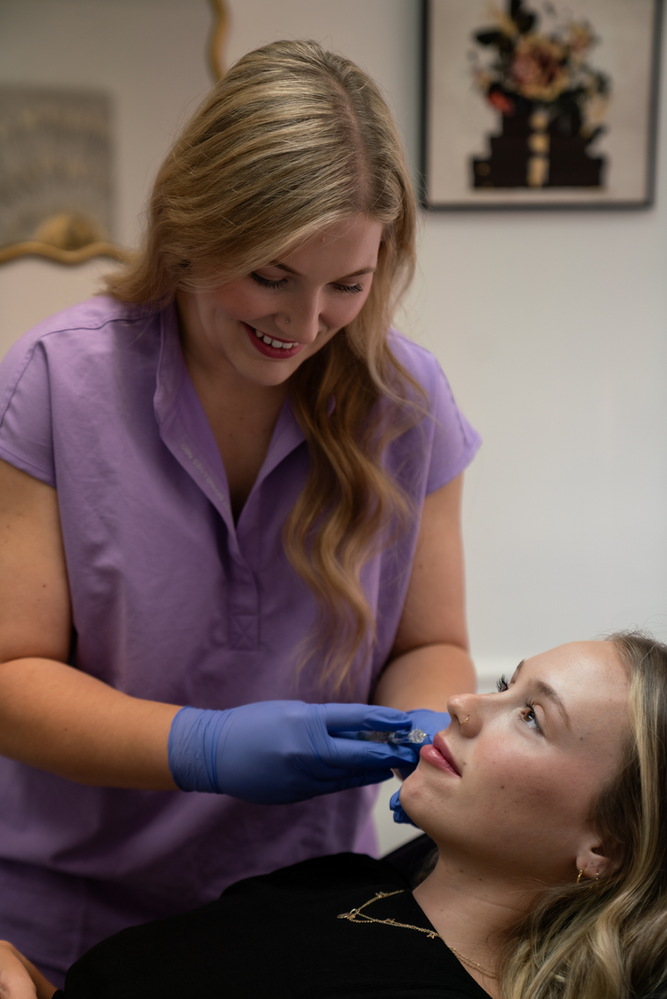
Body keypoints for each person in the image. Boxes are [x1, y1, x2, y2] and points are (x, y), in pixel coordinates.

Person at [0, 39, 482, 984]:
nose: (303, 326)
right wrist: (207, 746)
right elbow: (11, 674)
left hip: (292, 904)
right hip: (66, 904)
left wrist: (423, 732)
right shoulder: (61, 380)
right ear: (191, 233)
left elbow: (427, 639)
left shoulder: (405, 401)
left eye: (347, 284)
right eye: (270, 276)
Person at [2, 630, 667, 999]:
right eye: (503, 684)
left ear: (605, 846)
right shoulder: (358, 882)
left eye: (529, 716)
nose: (462, 704)